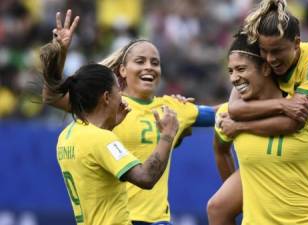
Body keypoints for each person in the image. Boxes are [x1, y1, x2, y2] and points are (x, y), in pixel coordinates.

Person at [42, 10, 215, 225]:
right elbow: (51, 96)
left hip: (154, 219)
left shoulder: (171, 108)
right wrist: (60, 52)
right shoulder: (104, 105)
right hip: (122, 218)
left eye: (155, 62)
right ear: (122, 71)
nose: (149, 67)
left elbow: (222, 114)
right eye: (140, 61)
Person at [208, 1, 308, 225]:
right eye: (264, 52)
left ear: (296, 43)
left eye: (276, 51)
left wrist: (241, 126)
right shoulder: (269, 65)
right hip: (295, 149)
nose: (270, 58)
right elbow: (235, 107)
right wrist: (196, 112)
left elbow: (296, 121)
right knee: (217, 207)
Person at [40, 57, 180, 225]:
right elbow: (145, 177)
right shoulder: (102, 139)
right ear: (106, 97)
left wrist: (109, 123)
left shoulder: (66, 136)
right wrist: (167, 135)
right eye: (117, 90)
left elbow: (96, 164)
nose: (121, 96)